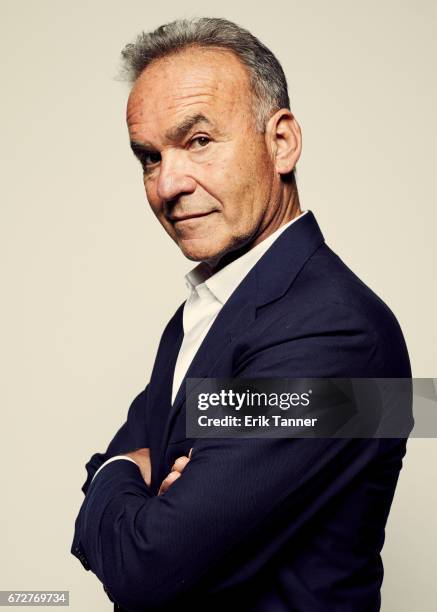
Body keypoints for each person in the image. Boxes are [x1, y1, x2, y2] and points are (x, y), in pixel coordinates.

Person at [71, 17, 411, 612]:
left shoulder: (337, 331)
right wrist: (134, 473)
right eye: (149, 157)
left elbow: (146, 568)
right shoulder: (199, 314)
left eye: (198, 141)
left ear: (281, 143)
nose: (168, 183)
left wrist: (112, 474)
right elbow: (137, 480)